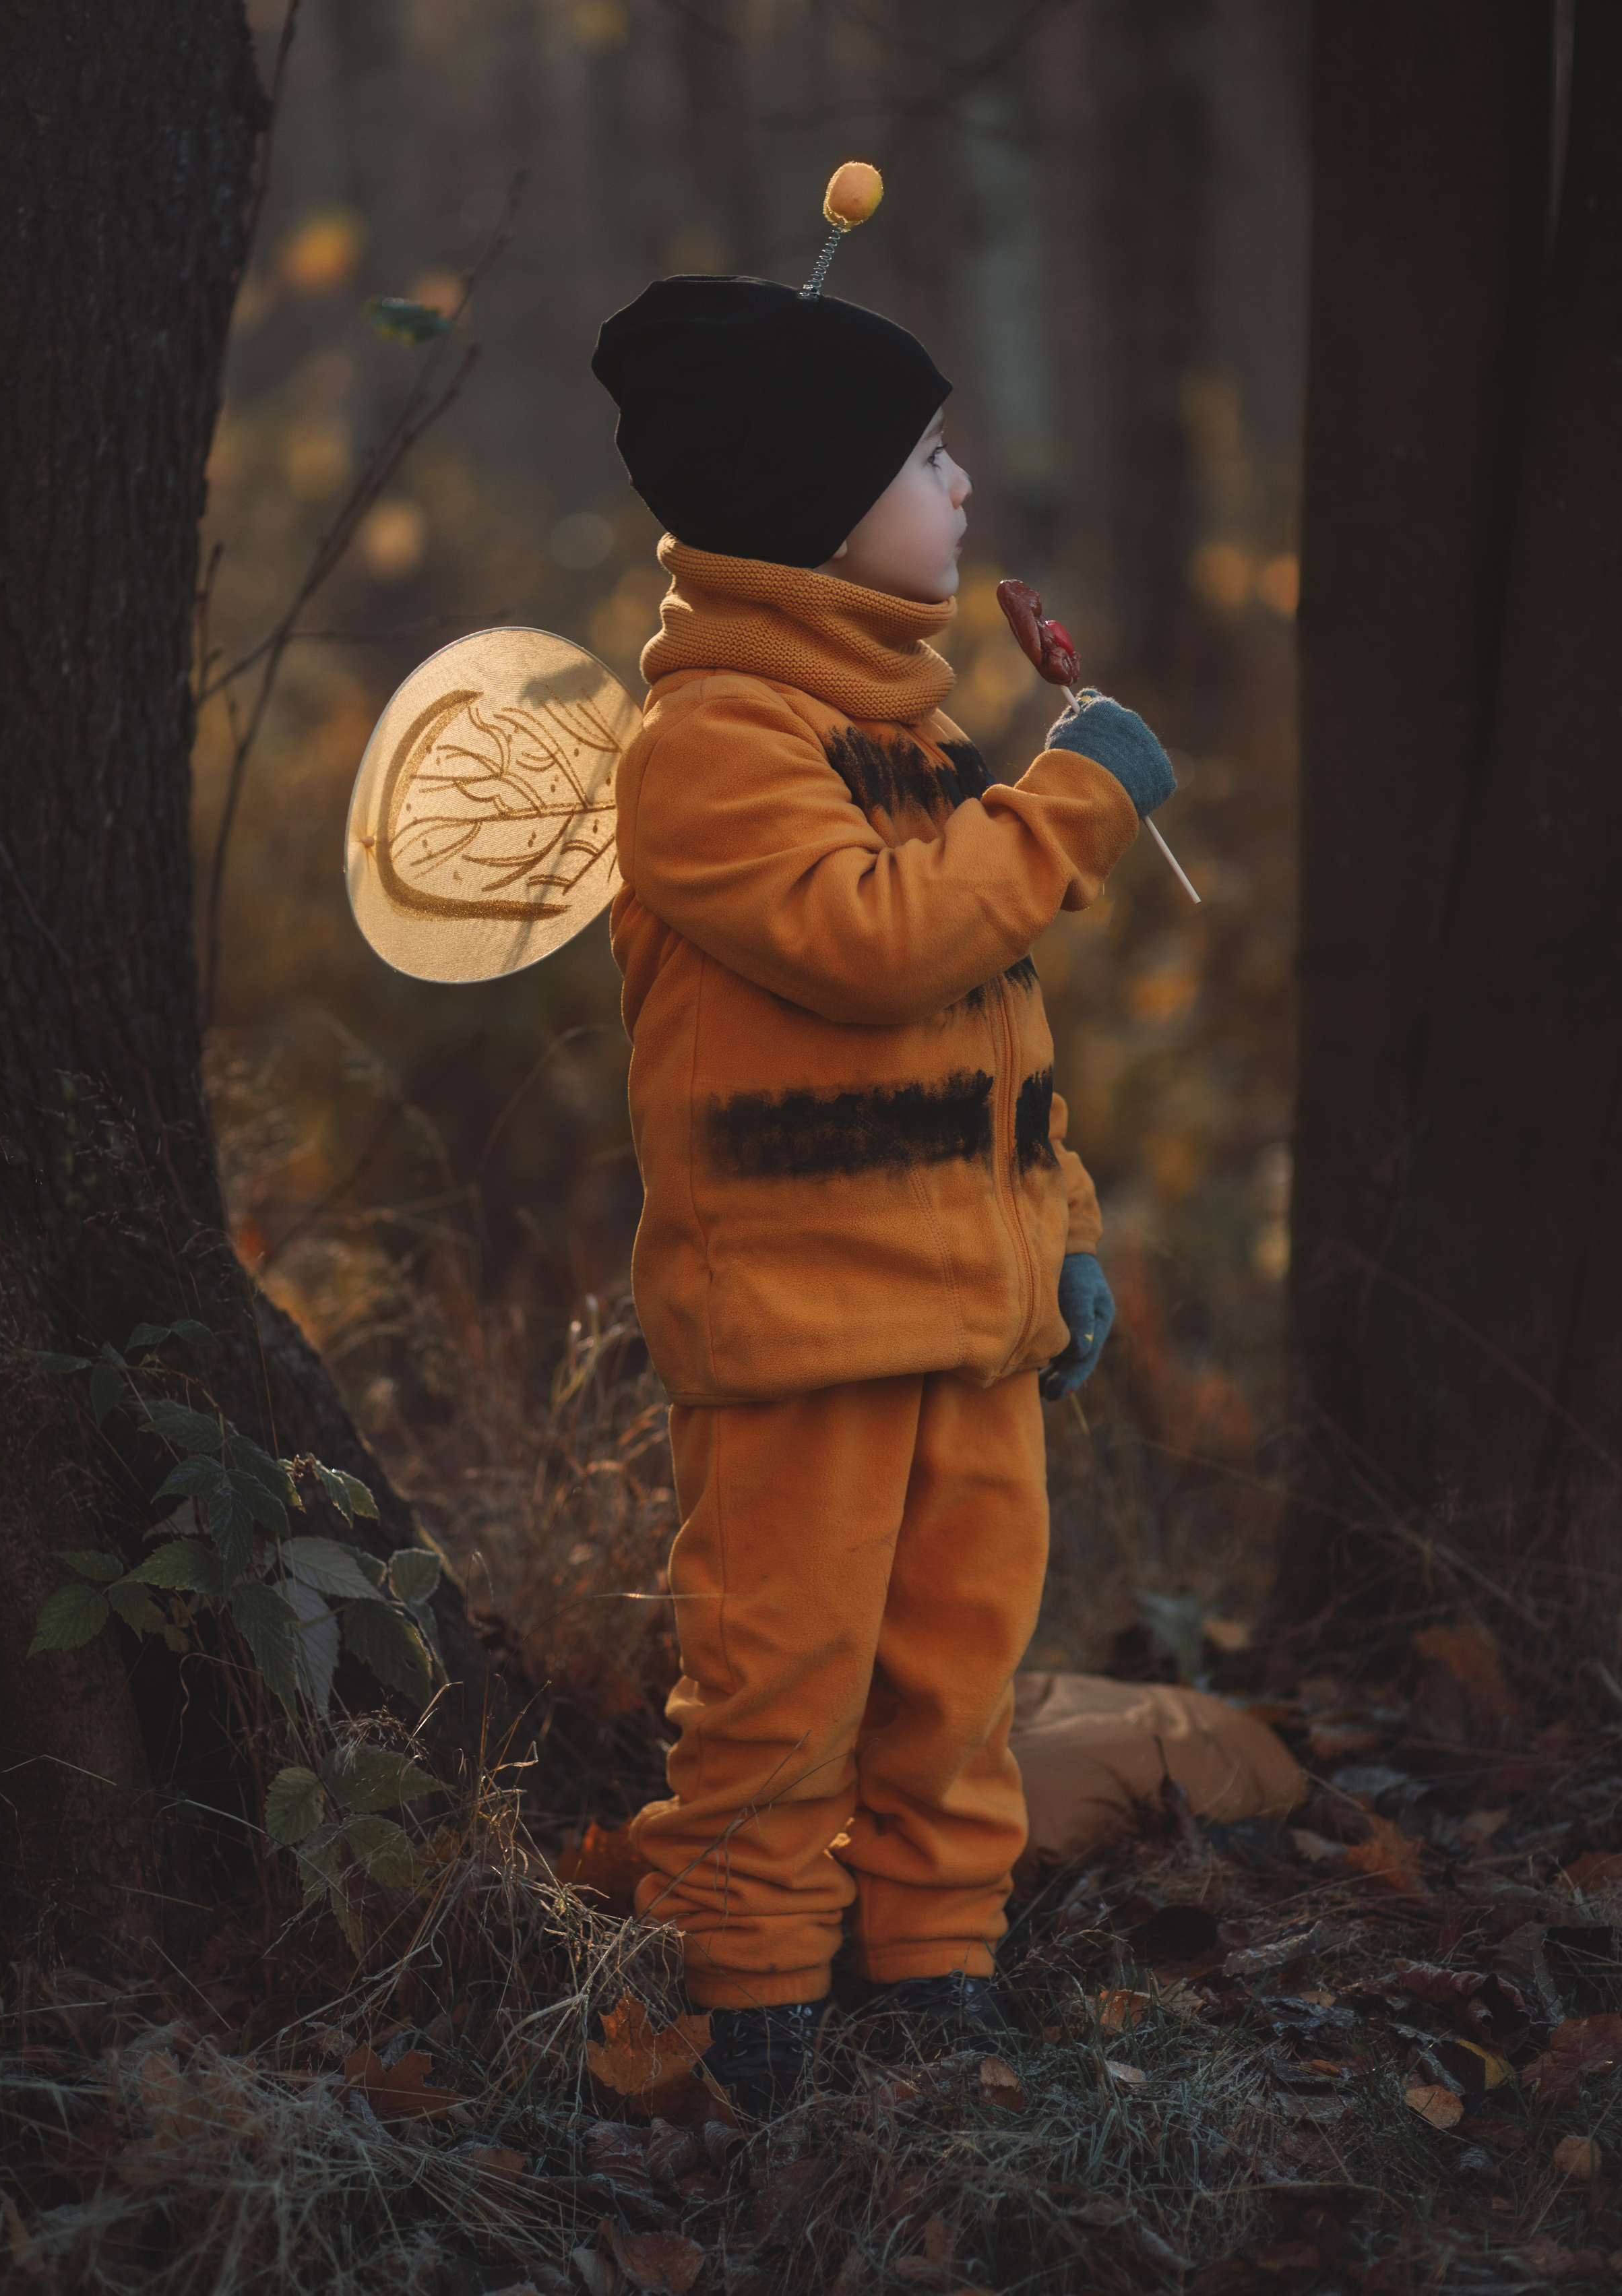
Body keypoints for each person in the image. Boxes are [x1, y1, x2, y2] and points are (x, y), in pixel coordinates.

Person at [590, 257, 1175, 2116]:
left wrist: (1059, 1244)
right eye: (926, 457)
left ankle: (934, 1980)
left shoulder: (922, 738)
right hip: (799, 1331)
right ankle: (748, 2006)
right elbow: (874, 945)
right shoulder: (710, 747)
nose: (964, 491)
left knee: (954, 1675)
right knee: (778, 1683)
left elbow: (993, 1042)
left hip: (962, 1326)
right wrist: (1072, 811)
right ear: (809, 509)